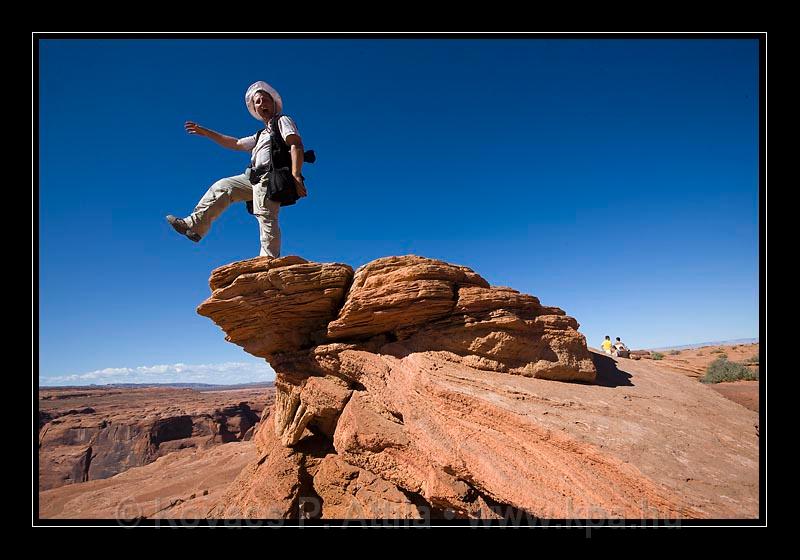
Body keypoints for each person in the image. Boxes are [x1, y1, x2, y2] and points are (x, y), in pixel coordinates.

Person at [165, 81, 307, 257]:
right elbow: (236, 143)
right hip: (253, 177)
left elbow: (296, 144)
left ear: (274, 104)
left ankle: (268, 259)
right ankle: (194, 225)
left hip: (271, 177)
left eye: (265, 100)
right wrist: (207, 132)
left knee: (265, 214)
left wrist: (296, 175)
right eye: (258, 102)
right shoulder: (259, 135)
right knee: (224, 187)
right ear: (255, 108)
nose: (262, 104)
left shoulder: (282, 121)